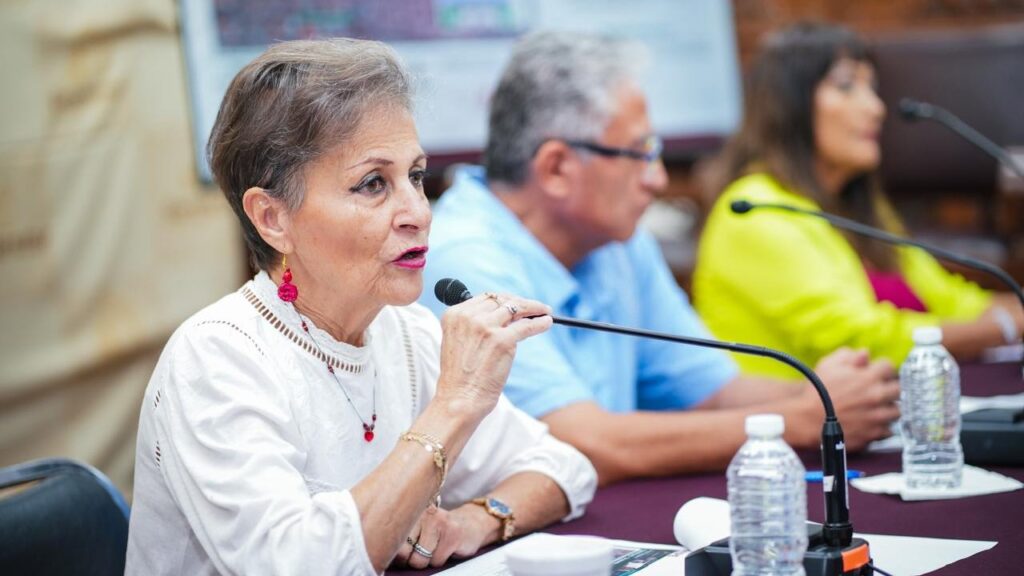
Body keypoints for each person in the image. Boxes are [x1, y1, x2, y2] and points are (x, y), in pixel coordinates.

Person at [125, 39, 596, 576]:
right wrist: (454, 406)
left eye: (415, 176)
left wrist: (474, 520)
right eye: (373, 184)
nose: (418, 212)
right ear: (273, 218)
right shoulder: (216, 359)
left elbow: (565, 468)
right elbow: (298, 565)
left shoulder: (406, 333)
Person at [421, 32, 899, 486]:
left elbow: (713, 391)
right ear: (557, 167)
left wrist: (832, 396)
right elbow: (579, 442)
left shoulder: (616, 239)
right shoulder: (464, 260)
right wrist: (796, 420)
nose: (659, 180)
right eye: (640, 153)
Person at [693, 22, 1024, 379]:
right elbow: (857, 341)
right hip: (792, 411)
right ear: (789, 104)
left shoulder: (855, 204)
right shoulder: (753, 210)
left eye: (872, 88)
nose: (876, 108)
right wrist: (1007, 326)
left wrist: (1013, 310)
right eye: (847, 86)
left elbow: (949, 300)